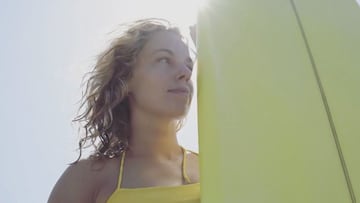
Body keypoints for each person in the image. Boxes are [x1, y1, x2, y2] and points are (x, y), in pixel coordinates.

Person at [48, 18, 200, 203]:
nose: (185, 73)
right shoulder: (87, 178)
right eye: (164, 60)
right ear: (125, 79)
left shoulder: (216, 166)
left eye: (189, 65)